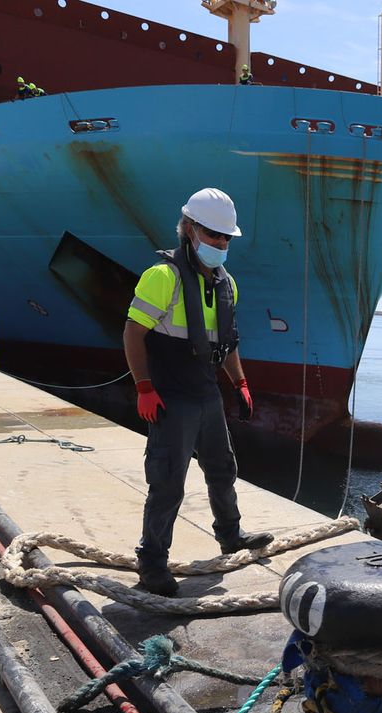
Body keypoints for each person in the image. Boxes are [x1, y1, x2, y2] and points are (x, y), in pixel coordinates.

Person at [124, 187, 271, 597]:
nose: (220, 244)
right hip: (171, 396)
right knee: (168, 482)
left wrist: (238, 382)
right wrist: (144, 388)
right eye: (212, 235)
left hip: (207, 395)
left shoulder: (228, 284)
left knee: (223, 469)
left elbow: (227, 342)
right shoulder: (163, 277)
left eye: (226, 238)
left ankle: (231, 535)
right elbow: (133, 332)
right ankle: (152, 563)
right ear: (189, 229)